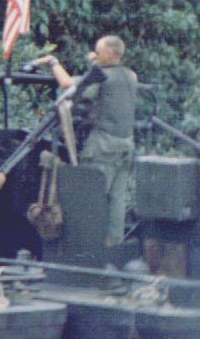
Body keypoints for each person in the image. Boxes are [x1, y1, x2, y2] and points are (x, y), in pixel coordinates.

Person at [32, 35, 137, 245]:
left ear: (108, 54)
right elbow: (102, 75)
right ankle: (112, 243)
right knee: (117, 198)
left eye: (98, 52)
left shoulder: (103, 76)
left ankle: (88, 245)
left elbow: (67, 84)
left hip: (104, 145)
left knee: (92, 193)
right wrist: (94, 63)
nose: (95, 55)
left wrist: (53, 63)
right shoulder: (131, 76)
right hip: (126, 144)